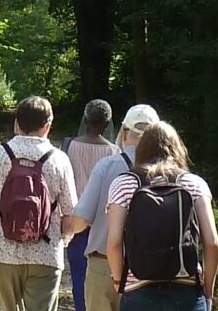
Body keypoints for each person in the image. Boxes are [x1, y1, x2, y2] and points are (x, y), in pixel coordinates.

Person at [0, 95, 80, 311]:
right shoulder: (59, 159)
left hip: (2, 254)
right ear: (48, 126)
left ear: (16, 123)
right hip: (45, 255)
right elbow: (71, 213)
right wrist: (63, 240)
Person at [103, 121, 218, 311]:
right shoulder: (194, 184)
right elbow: (212, 243)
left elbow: (114, 243)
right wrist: (208, 289)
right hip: (187, 293)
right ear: (178, 148)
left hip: (139, 293)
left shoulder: (124, 183)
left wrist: (119, 281)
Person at [68, 102, 158, 311]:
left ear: (124, 132)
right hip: (151, 269)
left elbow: (81, 220)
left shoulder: (108, 166)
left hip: (104, 266)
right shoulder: (171, 173)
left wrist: (71, 230)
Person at [63, 99, 117, 311]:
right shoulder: (114, 152)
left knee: (78, 278)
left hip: (77, 221)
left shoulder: (70, 146)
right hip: (104, 225)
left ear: (85, 119)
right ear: (107, 123)